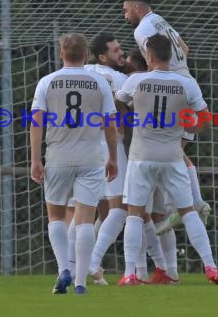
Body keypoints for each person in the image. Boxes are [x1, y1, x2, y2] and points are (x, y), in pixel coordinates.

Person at [116, 34, 218, 286]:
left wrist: (131, 119)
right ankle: (211, 268)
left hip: (141, 156)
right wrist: (186, 129)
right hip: (172, 156)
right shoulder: (186, 83)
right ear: (170, 56)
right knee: (188, 212)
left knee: (135, 214)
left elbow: (119, 101)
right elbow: (205, 120)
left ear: (149, 55)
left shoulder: (136, 79)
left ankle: (129, 274)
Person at [30, 32, 118, 295]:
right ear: (87, 55)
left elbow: (36, 123)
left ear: (61, 54)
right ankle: (80, 283)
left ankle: (62, 270)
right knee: (84, 221)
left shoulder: (47, 82)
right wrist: (112, 157)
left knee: (56, 216)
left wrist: (35, 159)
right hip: (90, 158)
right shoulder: (99, 82)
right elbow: (110, 124)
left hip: (57, 156)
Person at [121, 0, 211, 234]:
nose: (126, 16)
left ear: (138, 8)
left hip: (170, 91)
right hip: (185, 83)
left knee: (165, 151)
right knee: (174, 151)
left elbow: (154, 62)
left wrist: (148, 88)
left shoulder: (142, 30)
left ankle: (184, 207)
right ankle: (193, 204)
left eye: (127, 10)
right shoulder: (160, 21)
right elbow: (185, 49)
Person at [85, 34, 169, 285]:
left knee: (84, 211)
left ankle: (159, 268)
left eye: (121, 48)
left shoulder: (84, 71)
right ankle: (91, 262)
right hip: (111, 145)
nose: (121, 53)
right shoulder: (125, 79)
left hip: (80, 145)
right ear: (103, 56)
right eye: (116, 50)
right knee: (123, 208)